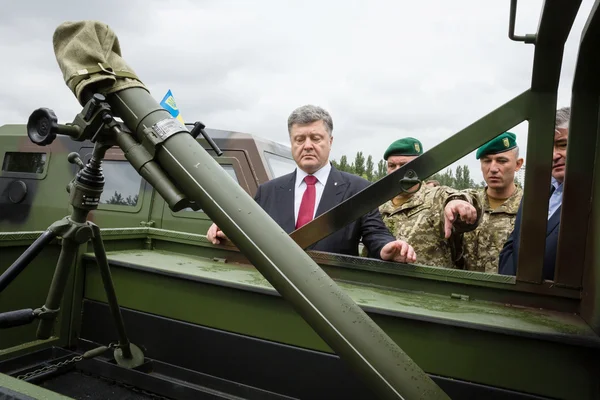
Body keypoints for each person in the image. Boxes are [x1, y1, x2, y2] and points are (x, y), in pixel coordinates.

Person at [207, 104, 417, 263]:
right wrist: (226, 227)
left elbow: (375, 233)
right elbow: (250, 228)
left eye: (315, 138)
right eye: (300, 139)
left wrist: (388, 247)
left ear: (330, 142)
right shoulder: (268, 191)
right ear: (291, 143)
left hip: (333, 295)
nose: (307, 146)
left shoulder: (357, 189)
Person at [375, 137, 482, 269]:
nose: (397, 171)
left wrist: (457, 202)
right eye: (392, 166)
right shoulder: (377, 204)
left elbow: (465, 198)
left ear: (421, 167)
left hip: (427, 285)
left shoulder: (436, 197)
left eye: (404, 166)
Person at [498, 107, 570, 280]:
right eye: (548, 147)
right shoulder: (536, 192)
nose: (554, 155)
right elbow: (510, 249)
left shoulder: (591, 198)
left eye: (563, 145)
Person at [460, 132, 524, 274]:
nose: (493, 169)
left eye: (502, 161)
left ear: (518, 164)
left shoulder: (530, 207)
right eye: (487, 161)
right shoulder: (468, 202)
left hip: (507, 293)